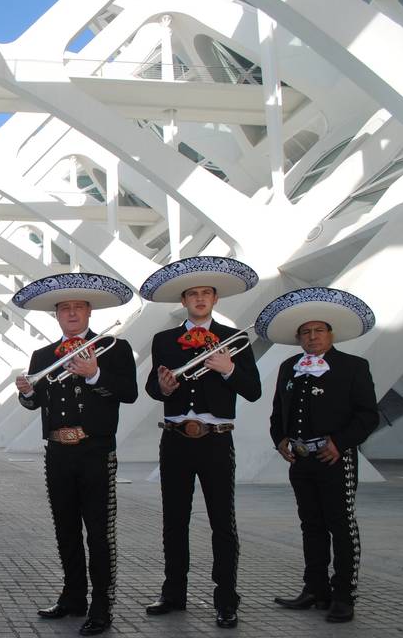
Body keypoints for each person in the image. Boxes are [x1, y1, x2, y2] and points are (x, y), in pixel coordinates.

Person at [139, 257, 261, 629]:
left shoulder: (234, 339)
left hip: (216, 442)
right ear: (184, 301)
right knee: (173, 521)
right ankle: (173, 592)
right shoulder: (164, 340)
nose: (200, 299)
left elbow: (253, 391)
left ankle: (226, 598)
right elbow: (151, 387)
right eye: (193, 294)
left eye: (206, 293)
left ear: (215, 299)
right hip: (175, 439)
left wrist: (229, 370)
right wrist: (162, 387)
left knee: (222, 522)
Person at [12, 273, 137, 636]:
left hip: (95, 451)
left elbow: (128, 393)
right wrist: (25, 392)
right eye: (64, 308)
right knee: (65, 528)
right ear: (56, 315)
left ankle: (101, 606)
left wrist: (95, 373)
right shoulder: (42, 355)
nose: (71, 313)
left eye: (78, 307)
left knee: (99, 532)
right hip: (57, 453)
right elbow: (35, 403)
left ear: (88, 312)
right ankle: (72, 597)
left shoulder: (113, 347)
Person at [257, 287, 379, 623]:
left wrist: (340, 443)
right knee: (311, 525)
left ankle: (344, 594)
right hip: (301, 459)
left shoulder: (353, 366)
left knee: (341, 525)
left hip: (336, 458)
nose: (312, 337)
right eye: (306, 332)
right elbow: (277, 410)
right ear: (299, 338)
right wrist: (279, 438)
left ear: (330, 334)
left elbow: (368, 414)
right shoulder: (289, 366)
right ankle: (316, 589)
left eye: (318, 330)